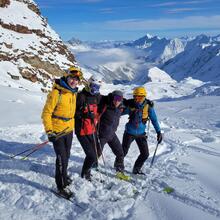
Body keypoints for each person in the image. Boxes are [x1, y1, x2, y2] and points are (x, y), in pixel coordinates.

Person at [41, 66, 82, 198]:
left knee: (67, 156)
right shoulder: (56, 93)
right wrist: (49, 131)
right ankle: (61, 187)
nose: (74, 81)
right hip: (57, 132)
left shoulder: (73, 92)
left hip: (69, 130)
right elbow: (46, 113)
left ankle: (63, 175)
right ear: (67, 77)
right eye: (72, 78)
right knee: (61, 159)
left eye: (76, 79)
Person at [122, 87, 162, 175]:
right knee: (123, 152)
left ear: (144, 97)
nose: (137, 99)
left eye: (140, 97)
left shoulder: (148, 106)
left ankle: (136, 169)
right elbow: (119, 113)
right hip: (129, 132)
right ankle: (118, 166)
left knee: (145, 154)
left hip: (141, 134)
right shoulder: (131, 105)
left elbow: (154, 119)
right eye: (135, 97)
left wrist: (159, 132)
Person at [74, 75, 103, 181]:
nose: (95, 89)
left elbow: (106, 101)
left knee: (97, 152)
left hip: (92, 129)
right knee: (91, 155)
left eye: (98, 87)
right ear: (89, 84)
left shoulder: (96, 97)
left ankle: (88, 170)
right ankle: (84, 173)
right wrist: (83, 115)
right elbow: (73, 113)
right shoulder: (81, 96)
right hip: (81, 131)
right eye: (94, 86)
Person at [98, 90, 126, 177]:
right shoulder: (105, 105)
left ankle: (119, 169)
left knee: (120, 153)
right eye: (115, 98)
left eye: (119, 99)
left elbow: (132, 104)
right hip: (102, 135)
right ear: (112, 98)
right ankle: (91, 167)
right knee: (96, 153)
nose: (117, 101)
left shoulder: (121, 108)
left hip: (112, 135)